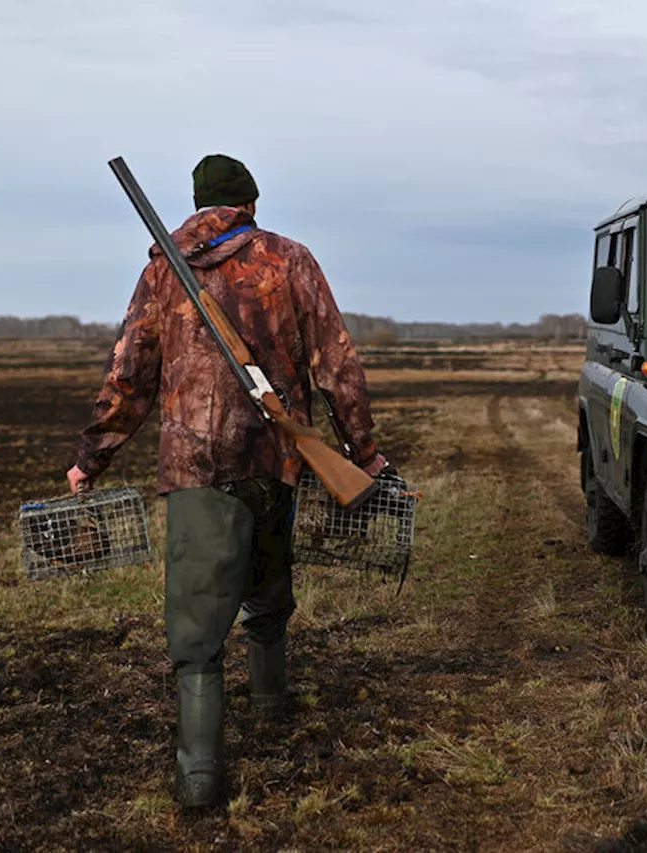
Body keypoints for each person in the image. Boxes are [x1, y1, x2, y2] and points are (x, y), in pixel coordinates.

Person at [65, 153, 388, 809]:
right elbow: (338, 363)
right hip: (278, 462)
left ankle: (200, 776)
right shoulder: (289, 260)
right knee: (268, 590)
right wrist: (364, 451)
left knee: (196, 629)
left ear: (197, 205)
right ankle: (270, 706)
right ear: (250, 204)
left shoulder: (162, 271)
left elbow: (129, 377)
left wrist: (90, 457)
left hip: (197, 467)